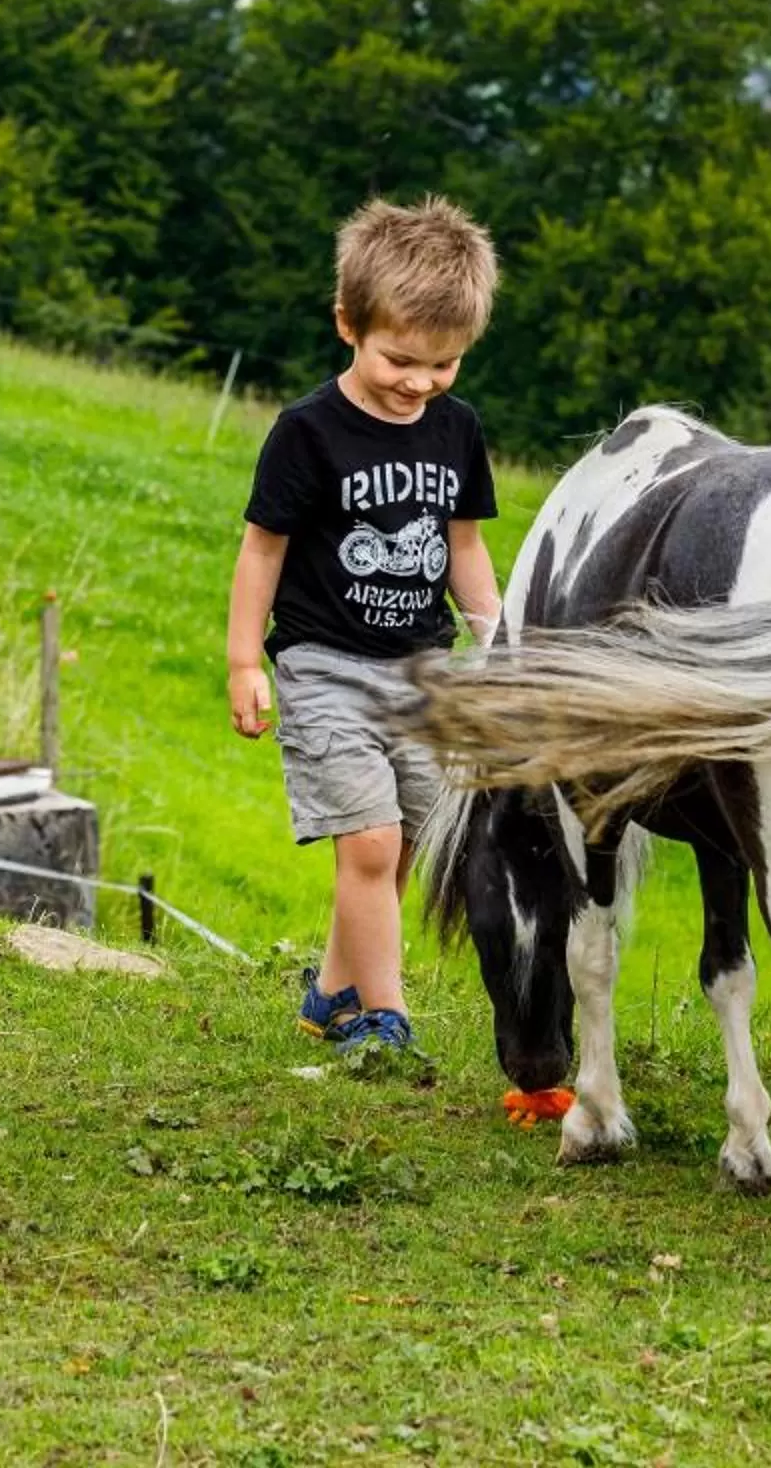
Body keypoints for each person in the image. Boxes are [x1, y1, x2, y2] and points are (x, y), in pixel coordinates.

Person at [227, 196, 503, 1068]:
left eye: (444, 363)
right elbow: (261, 550)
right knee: (371, 842)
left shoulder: (457, 432)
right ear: (348, 324)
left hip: (423, 670)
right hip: (324, 668)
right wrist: (244, 660)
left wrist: (496, 635)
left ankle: (331, 993)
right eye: (400, 359)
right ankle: (386, 1017)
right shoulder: (306, 433)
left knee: (413, 837)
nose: (419, 382)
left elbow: (465, 544)